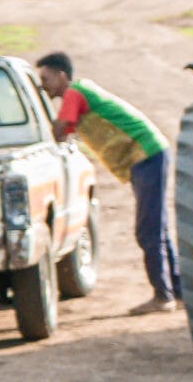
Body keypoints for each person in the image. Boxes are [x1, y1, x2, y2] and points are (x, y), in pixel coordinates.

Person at [33, 52, 179, 312]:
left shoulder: (74, 94)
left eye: (45, 78)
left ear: (62, 76)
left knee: (149, 230)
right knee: (157, 228)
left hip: (145, 154)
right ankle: (174, 292)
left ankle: (163, 297)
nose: (43, 84)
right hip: (147, 154)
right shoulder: (80, 93)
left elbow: (57, 132)